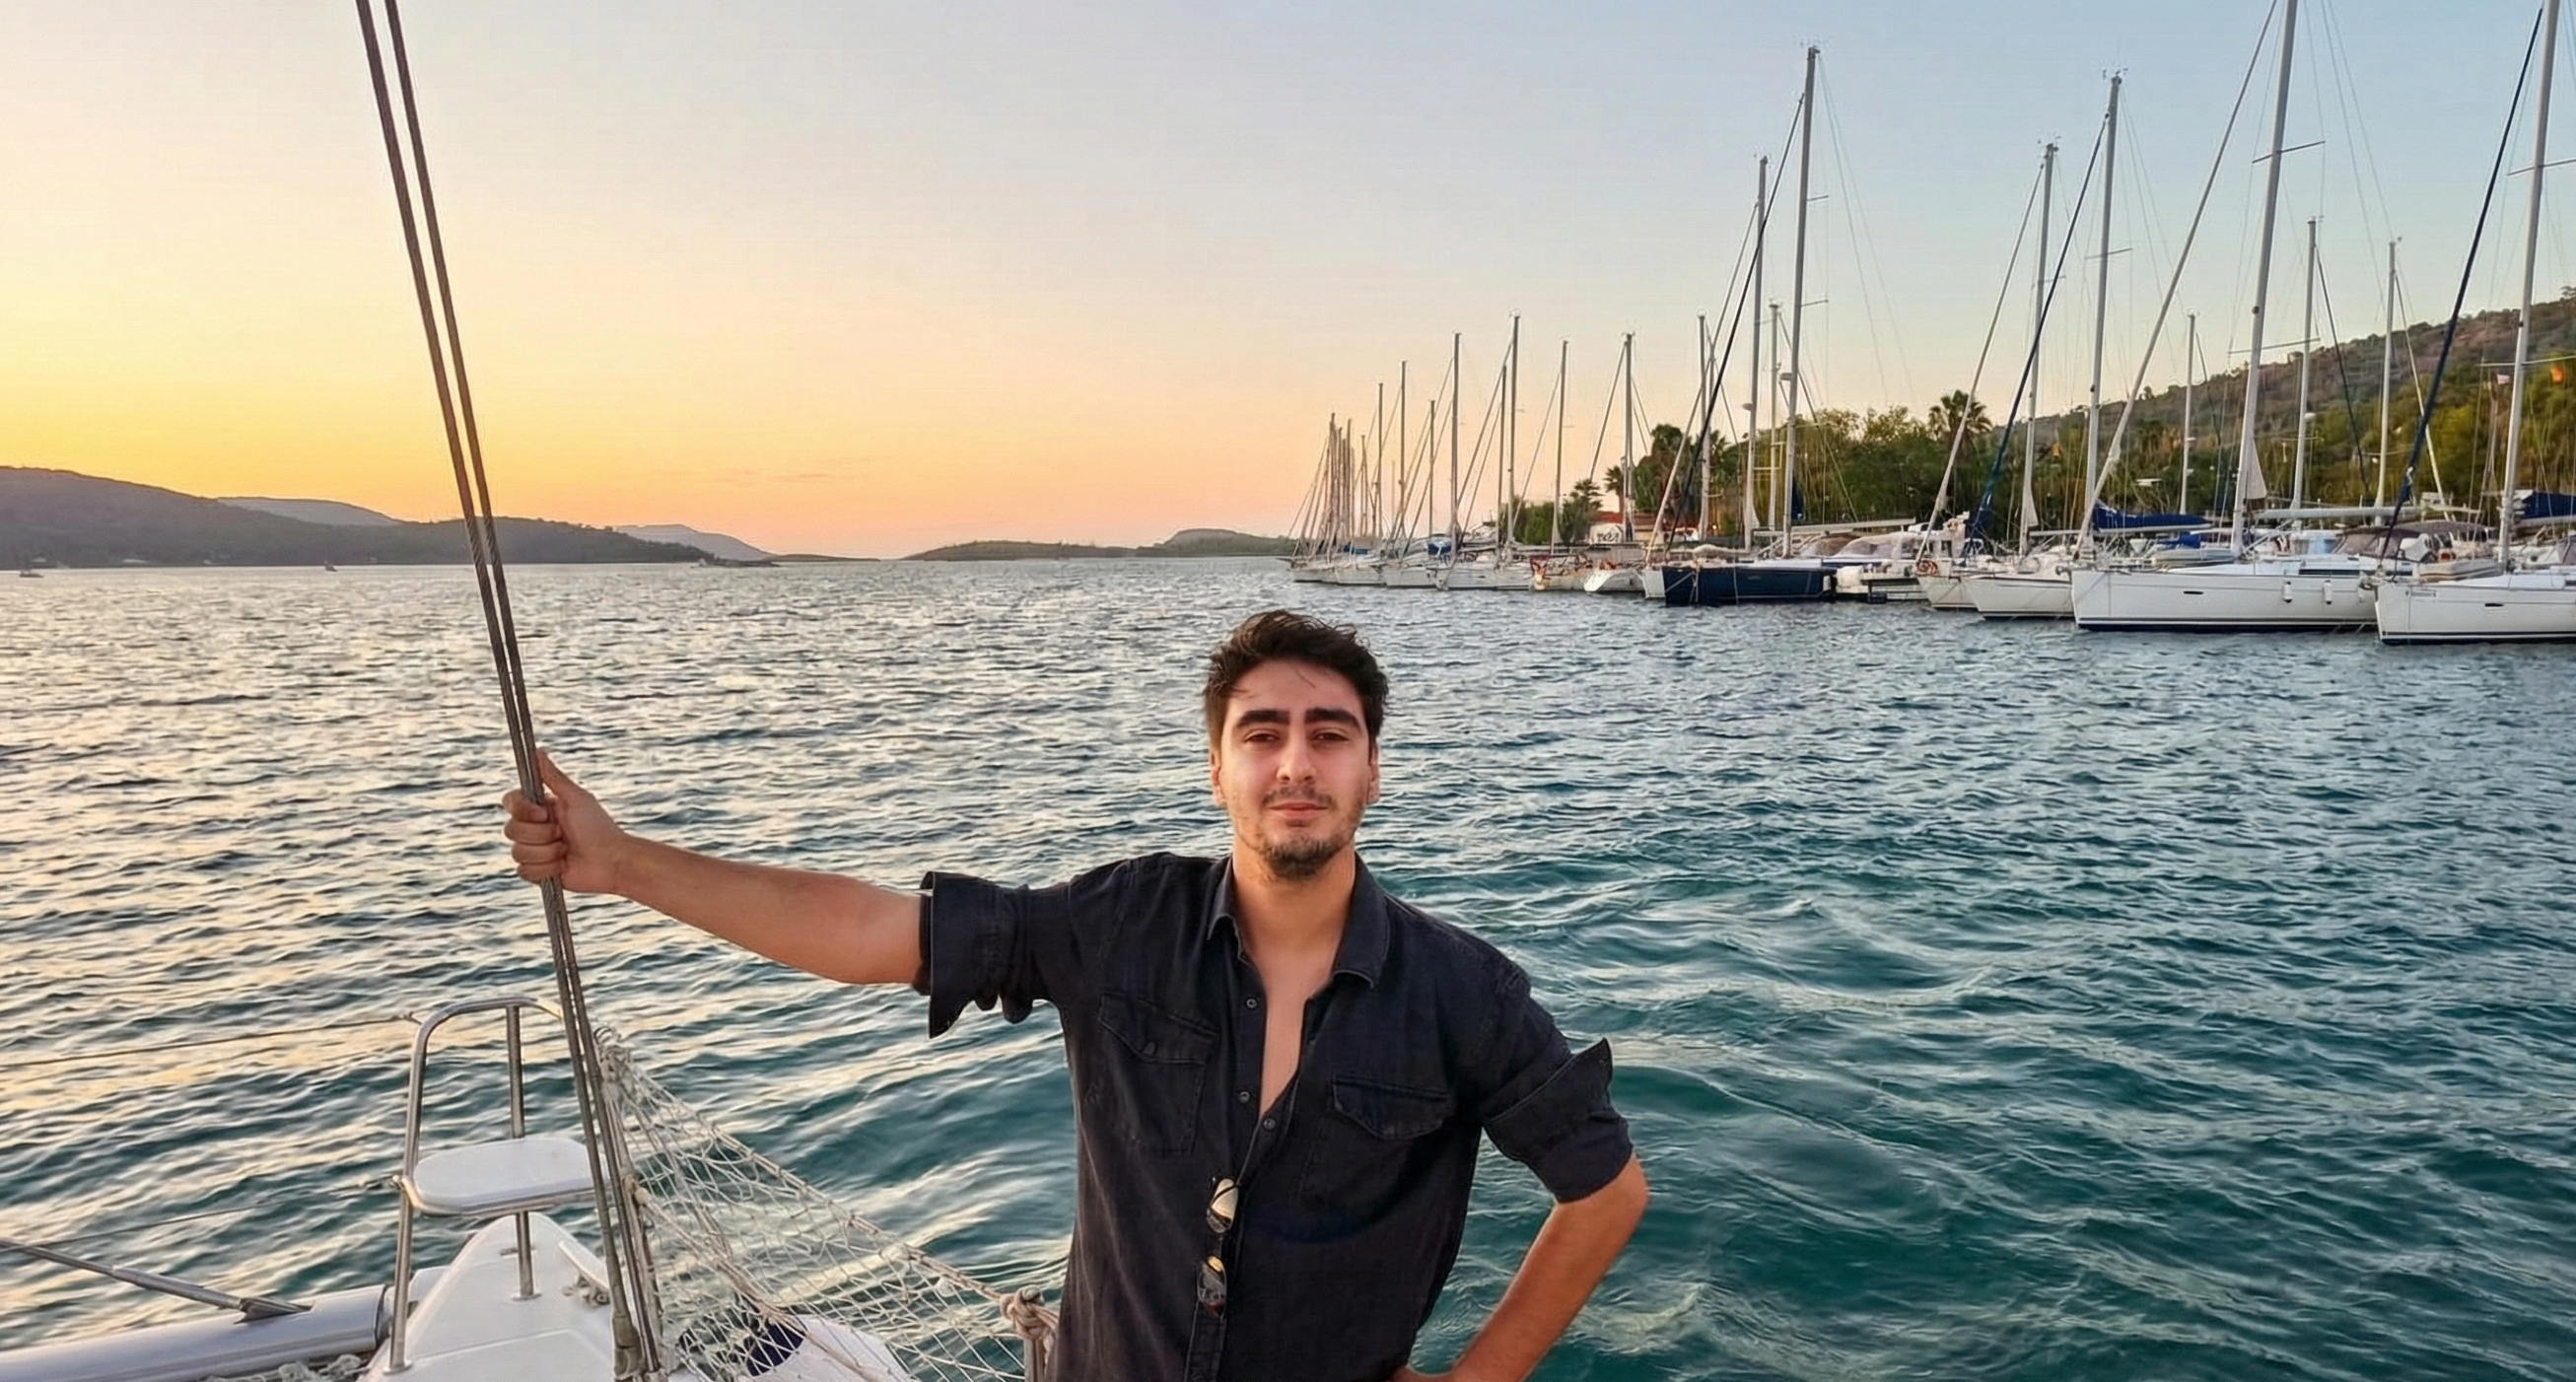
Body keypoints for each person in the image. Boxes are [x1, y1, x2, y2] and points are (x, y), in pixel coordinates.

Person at [503, 609, 1646, 1382]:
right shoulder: (1121, 926)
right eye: (1262, 734)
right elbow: (874, 931)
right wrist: (624, 864)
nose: (1296, 763)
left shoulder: (1460, 992)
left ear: (1371, 772)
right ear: (1218, 768)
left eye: (1329, 735)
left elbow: (1605, 1191)